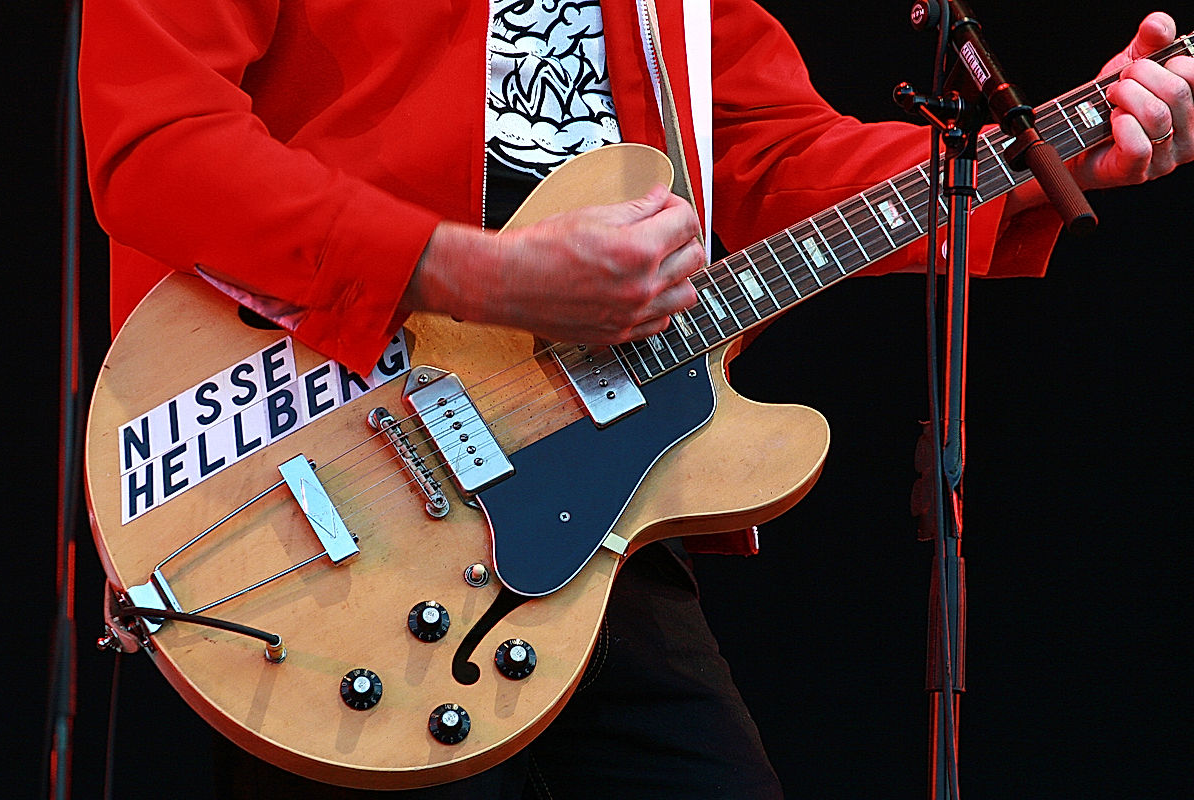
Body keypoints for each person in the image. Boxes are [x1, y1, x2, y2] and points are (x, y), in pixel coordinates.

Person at [79, 1, 1192, 797]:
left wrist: (1040, 155)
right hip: (327, 480)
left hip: (585, 501)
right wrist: (476, 271)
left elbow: (767, 155)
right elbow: (156, 144)